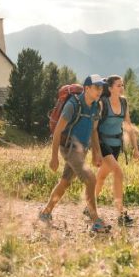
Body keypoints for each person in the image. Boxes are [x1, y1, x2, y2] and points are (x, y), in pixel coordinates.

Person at [38, 74, 112, 233]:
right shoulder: (72, 105)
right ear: (87, 88)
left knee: (65, 182)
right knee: (91, 179)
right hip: (69, 148)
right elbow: (57, 132)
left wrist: (95, 153)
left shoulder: (96, 106)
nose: (100, 91)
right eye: (96, 87)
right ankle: (95, 220)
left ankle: (46, 212)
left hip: (82, 150)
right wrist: (54, 157)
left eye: (101, 87)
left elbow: (93, 131)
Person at [94, 75, 139, 226]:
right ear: (110, 88)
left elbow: (128, 126)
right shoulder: (102, 103)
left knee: (101, 177)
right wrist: (95, 151)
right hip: (102, 143)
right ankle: (121, 213)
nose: (122, 88)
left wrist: (136, 149)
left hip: (115, 145)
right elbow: (94, 128)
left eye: (122, 85)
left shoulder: (124, 102)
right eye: (118, 85)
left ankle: (89, 204)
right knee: (118, 173)